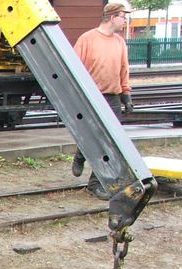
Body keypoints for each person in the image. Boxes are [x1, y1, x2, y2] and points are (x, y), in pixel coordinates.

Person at [71, 2, 134, 199]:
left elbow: (124, 70)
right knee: (92, 136)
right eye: (123, 17)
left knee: (110, 143)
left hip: (112, 96)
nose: (125, 21)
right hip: (91, 96)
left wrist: (126, 94)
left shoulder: (119, 42)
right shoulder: (87, 40)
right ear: (113, 17)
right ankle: (80, 155)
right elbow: (73, 68)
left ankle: (95, 183)